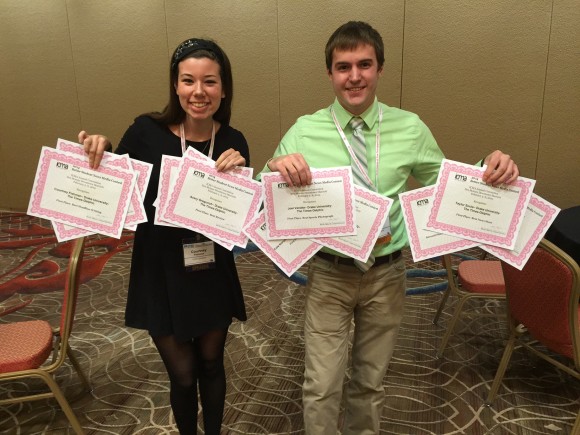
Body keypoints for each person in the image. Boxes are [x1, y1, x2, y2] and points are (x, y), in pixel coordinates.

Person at [259, 21, 519, 435]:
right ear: (330, 74)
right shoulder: (305, 129)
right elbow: (262, 192)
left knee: (369, 382)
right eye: (343, 67)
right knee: (321, 386)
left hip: (387, 273)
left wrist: (489, 167)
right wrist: (273, 167)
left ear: (380, 68)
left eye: (365, 64)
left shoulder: (409, 127)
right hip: (329, 273)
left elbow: (446, 184)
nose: (355, 76)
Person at [79, 38, 249, 435]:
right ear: (175, 85)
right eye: (188, 80)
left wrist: (242, 171)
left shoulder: (233, 141)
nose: (198, 92)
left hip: (210, 268)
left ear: (223, 89)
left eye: (209, 82)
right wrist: (98, 151)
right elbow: (113, 187)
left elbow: (236, 216)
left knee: (211, 364)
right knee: (183, 374)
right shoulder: (145, 131)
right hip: (159, 268)